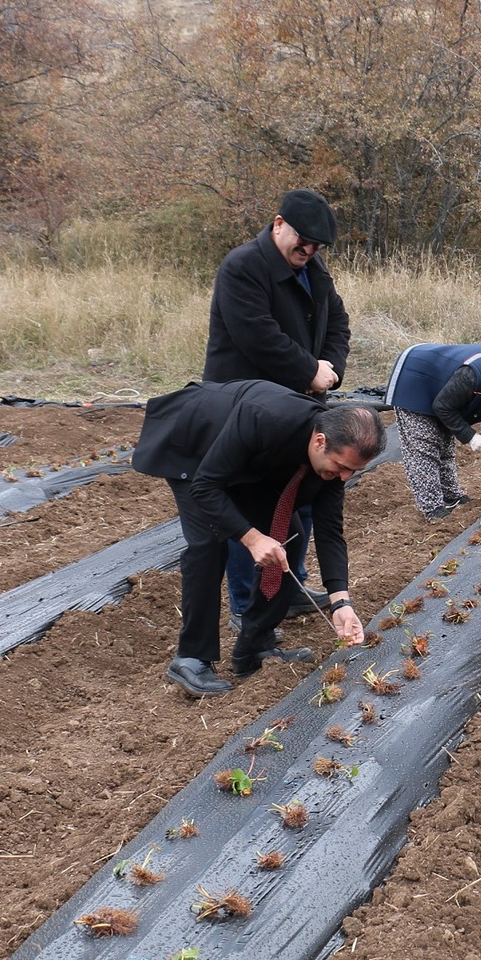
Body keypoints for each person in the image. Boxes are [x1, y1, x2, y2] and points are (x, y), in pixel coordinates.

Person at [133, 379, 382, 696]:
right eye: (342, 467)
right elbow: (206, 487)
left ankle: (254, 648)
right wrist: (251, 539)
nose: (345, 477)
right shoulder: (267, 417)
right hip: (194, 447)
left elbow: (330, 530)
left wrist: (341, 603)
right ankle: (191, 657)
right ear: (320, 442)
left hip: (247, 462)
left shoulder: (333, 456)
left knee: (288, 534)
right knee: (210, 543)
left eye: (352, 471)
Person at [203, 188, 352, 629]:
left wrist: (331, 371)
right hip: (245, 409)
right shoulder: (243, 267)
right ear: (278, 223)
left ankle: (290, 588)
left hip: (300, 409)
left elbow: (339, 325)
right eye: (302, 241)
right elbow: (258, 337)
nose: (307, 251)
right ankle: (247, 605)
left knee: (300, 502)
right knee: (250, 506)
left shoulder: (314, 270)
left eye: (317, 246)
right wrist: (310, 370)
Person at [385, 343, 481, 518]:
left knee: (444, 443)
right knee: (425, 445)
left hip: (444, 393)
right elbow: (442, 406)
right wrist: (470, 436)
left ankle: (452, 496)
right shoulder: (474, 376)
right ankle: (432, 508)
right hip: (416, 379)